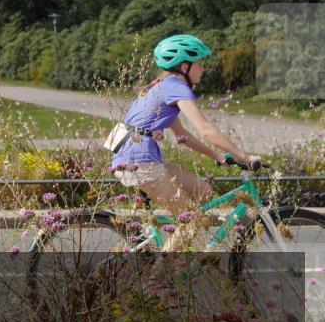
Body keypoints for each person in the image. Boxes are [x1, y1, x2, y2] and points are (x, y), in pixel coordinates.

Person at [110, 34, 262, 250]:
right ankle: (159, 279)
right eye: (200, 64)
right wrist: (244, 156)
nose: (203, 69)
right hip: (140, 161)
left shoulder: (160, 85)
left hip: (134, 157)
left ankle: (179, 243)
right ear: (184, 66)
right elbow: (206, 130)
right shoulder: (176, 88)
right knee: (193, 220)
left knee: (204, 191)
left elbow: (183, 136)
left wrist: (219, 157)